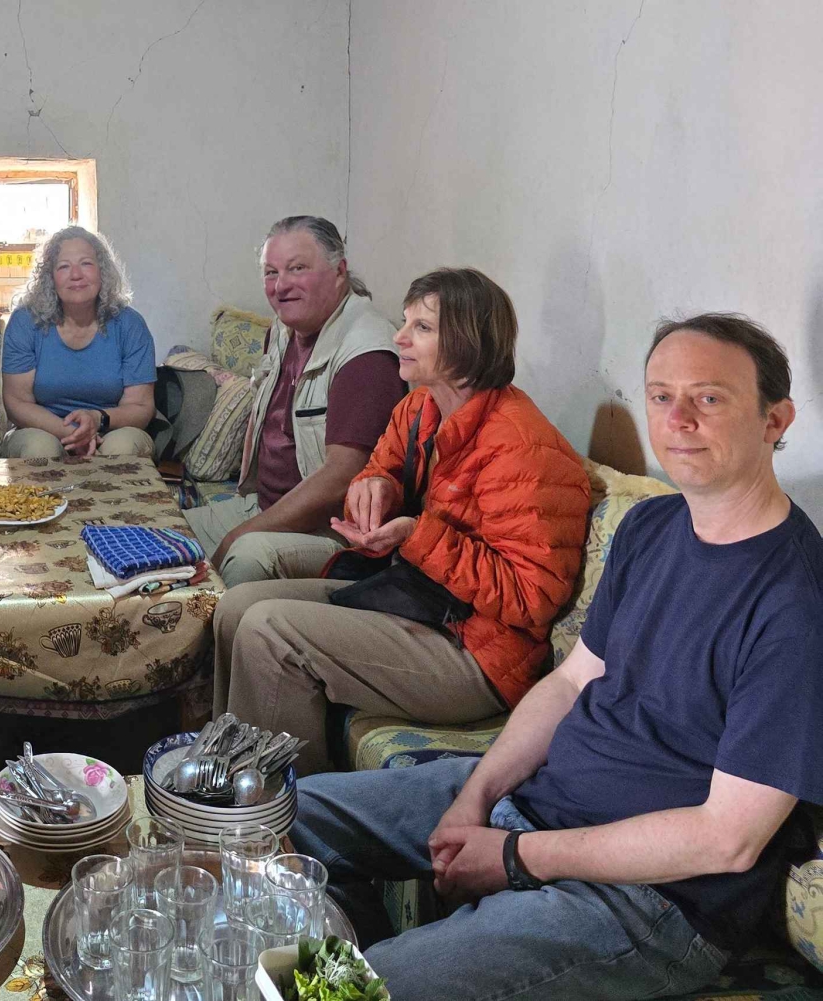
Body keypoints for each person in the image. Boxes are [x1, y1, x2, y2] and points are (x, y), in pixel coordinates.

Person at [288, 313, 821, 1001]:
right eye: (661, 396)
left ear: (775, 419)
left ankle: (366, 969)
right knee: (281, 817)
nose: (678, 419)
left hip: (647, 900)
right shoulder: (652, 525)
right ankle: (365, 945)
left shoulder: (795, 604)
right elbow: (571, 682)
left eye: (709, 397)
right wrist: (477, 796)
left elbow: (727, 839)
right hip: (541, 802)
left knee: (349, 989)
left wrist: (515, 857)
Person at [214, 268, 590, 775]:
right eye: (406, 322)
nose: (399, 337)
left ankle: (283, 808)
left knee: (270, 631)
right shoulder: (419, 407)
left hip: (478, 654)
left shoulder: (521, 447)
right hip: (414, 598)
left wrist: (418, 535)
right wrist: (377, 490)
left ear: (469, 341)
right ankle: (221, 773)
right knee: (235, 607)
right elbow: (377, 472)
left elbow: (531, 599)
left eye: (422, 327)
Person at [183, 216, 406, 585]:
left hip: (333, 532)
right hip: (265, 508)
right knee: (165, 532)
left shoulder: (366, 352)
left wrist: (240, 535)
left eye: (297, 268)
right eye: (271, 272)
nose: (281, 285)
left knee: (246, 556)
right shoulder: (283, 329)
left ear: (339, 271)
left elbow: (342, 477)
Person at [0, 226, 157, 458]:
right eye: (64, 266)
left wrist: (96, 420)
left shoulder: (130, 324)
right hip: (42, 429)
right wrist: (73, 433)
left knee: (121, 448)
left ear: (102, 271)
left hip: (110, 427)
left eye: (86, 263)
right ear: (50, 277)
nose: (76, 275)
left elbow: (141, 407)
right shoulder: (25, 321)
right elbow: (17, 403)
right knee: (39, 449)